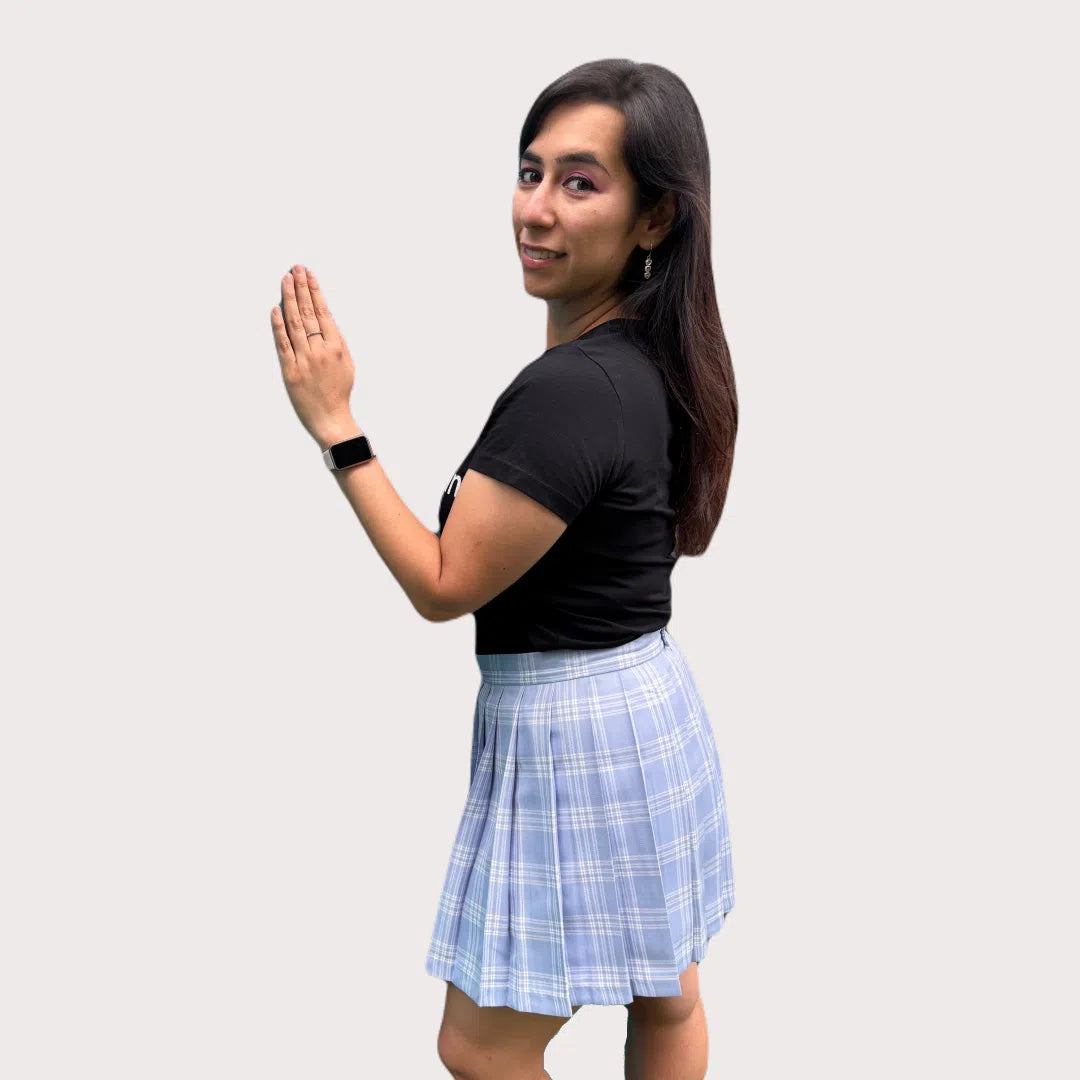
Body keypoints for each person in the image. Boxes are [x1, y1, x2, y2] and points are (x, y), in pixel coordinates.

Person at [272, 58, 737, 1080]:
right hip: (645, 701)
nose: (536, 208)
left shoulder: (574, 389)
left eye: (581, 182)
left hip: (574, 734)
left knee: (480, 1048)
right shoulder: (655, 351)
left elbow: (444, 583)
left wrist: (337, 425)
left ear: (655, 217)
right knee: (667, 991)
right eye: (531, 172)